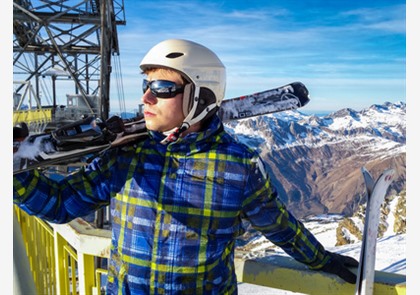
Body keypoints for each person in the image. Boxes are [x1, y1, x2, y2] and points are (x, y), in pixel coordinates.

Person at [13, 39, 358, 294]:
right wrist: (15, 170)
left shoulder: (237, 165)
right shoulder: (126, 156)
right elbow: (60, 205)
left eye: (162, 88)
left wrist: (322, 260)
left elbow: (278, 225)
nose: (145, 98)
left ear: (201, 96)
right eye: (145, 86)